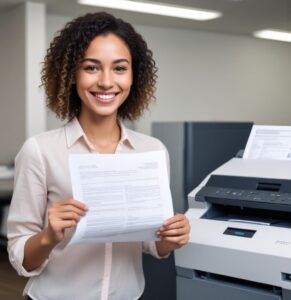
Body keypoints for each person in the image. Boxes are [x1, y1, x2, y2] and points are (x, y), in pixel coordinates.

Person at [7, 12, 190, 300]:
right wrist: (48, 236)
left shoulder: (152, 151)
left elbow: (150, 242)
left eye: (119, 68)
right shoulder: (40, 151)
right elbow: (21, 258)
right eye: (91, 68)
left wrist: (169, 239)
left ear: (134, 76)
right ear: (70, 74)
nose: (106, 82)